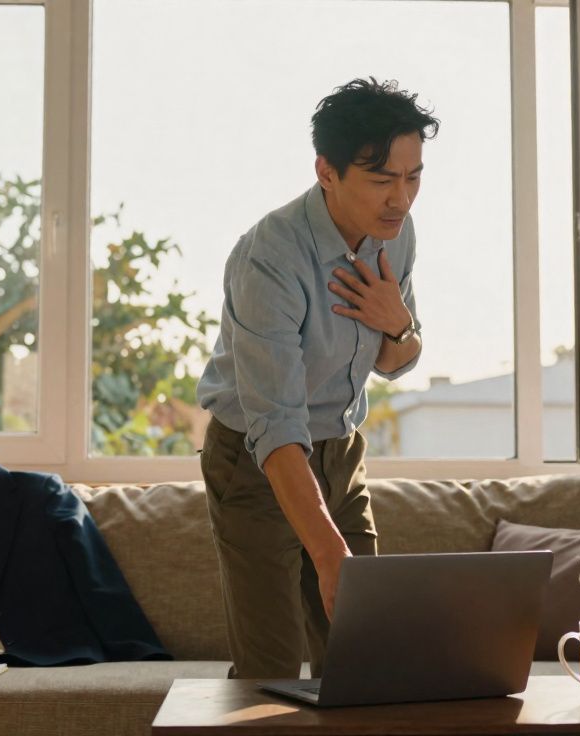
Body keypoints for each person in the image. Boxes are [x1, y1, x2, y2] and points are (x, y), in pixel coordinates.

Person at [196, 78, 438, 679]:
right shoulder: (270, 258)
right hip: (257, 458)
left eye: (413, 177)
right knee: (271, 669)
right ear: (326, 172)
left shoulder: (396, 235)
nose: (401, 199)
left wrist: (399, 322)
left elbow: (393, 360)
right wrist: (330, 556)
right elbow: (275, 426)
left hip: (339, 449)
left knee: (361, 657)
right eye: (382, 179)